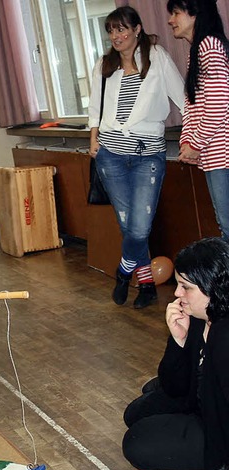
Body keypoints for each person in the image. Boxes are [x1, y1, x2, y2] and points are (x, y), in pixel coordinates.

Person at [88, 6, 185, 309]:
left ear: (137, 29)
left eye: (121, 29)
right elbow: (94, 107)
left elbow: (183, 98)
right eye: (111, 31)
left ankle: (123, 270)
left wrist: (193, 137)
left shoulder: (156, 57)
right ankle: (146, 286)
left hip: (147, 157)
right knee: (128, 225)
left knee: (140, 227)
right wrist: (93, 142)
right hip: (110, 157)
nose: (116, 36)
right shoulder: (105, 64)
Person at [122, 238, 229, 470]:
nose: (177, 293)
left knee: (136, 443)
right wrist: (178, 341)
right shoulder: (201, 316)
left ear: (213, 288)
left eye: (185, 286)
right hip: (196, 396)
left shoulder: (224, 337)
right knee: (134, 413)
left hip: (215, 422)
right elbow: (174, 387)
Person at [167, 0, 229, 243]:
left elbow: (217, 106)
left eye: (176, 13)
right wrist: (187, 141)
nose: (171, 20)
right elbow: (194, 106)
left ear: (195, 14)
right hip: (214, 151)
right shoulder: (199, 49)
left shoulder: (209, 47)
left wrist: (195, 144)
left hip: (221, 151)